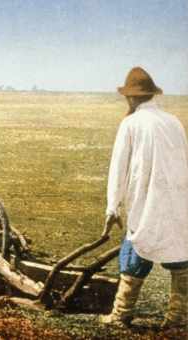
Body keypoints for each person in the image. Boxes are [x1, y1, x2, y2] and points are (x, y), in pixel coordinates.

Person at [100, 67, 188, 329]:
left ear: (131, 98)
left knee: (136, 244)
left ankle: (120, 314)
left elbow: (118, 168)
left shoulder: (130, 123)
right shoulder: (174, 122)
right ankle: (177, 318)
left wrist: (112, 207)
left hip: (147, 199)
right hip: (177, 199)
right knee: (180, 256)